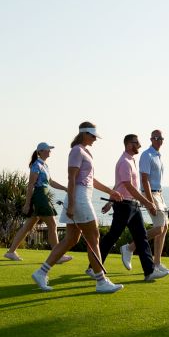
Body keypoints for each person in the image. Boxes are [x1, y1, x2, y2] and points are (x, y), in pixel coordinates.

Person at [31, 122, 124, 294]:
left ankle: (41, 272)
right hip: (79, 198)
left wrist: (112, 191)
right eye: (93, 136)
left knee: (71, 239)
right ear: (85, 134)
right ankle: (101, 281)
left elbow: (91, 180)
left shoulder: (85, 151)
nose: (95, 139)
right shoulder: (76, 151)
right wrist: (72, 204)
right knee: (94, 237)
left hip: (82, 196)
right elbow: (71, 178)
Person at [98, 134, 167, 282]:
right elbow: (128, 186)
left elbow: (120, 185)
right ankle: (93, 267)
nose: (140, 145)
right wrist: (148, 202)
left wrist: (110, 201)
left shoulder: (130, 160)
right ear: (129, 144)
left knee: (141, 238)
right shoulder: (124, 162)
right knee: (112, 236)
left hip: (132, 205)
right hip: (124, 205)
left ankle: (149, 272)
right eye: (137, 143)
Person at [4, 142, 72, 263]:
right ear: (40, 151)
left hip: (43, 195)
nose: (50, 151)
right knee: (52, 225)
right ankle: (57, 256)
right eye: (47, 149)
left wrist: (65, 188)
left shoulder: (44, 165)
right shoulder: (36, 165)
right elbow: (31, 185)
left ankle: (11, 252)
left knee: (28, 226)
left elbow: (51, 182)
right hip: (40, 196)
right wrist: (27, 203)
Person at [124, 129, 169, 276]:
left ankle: (157, 263)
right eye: (156, 138)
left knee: (164, 227)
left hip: (159, 193)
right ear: (151, 139)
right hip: (150, 193)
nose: (159, 140)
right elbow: (144, 179)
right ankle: (130, 248)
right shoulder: (147, 155)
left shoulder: (158, 155)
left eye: (161, 138)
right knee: (159, 228)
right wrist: (150, 201)